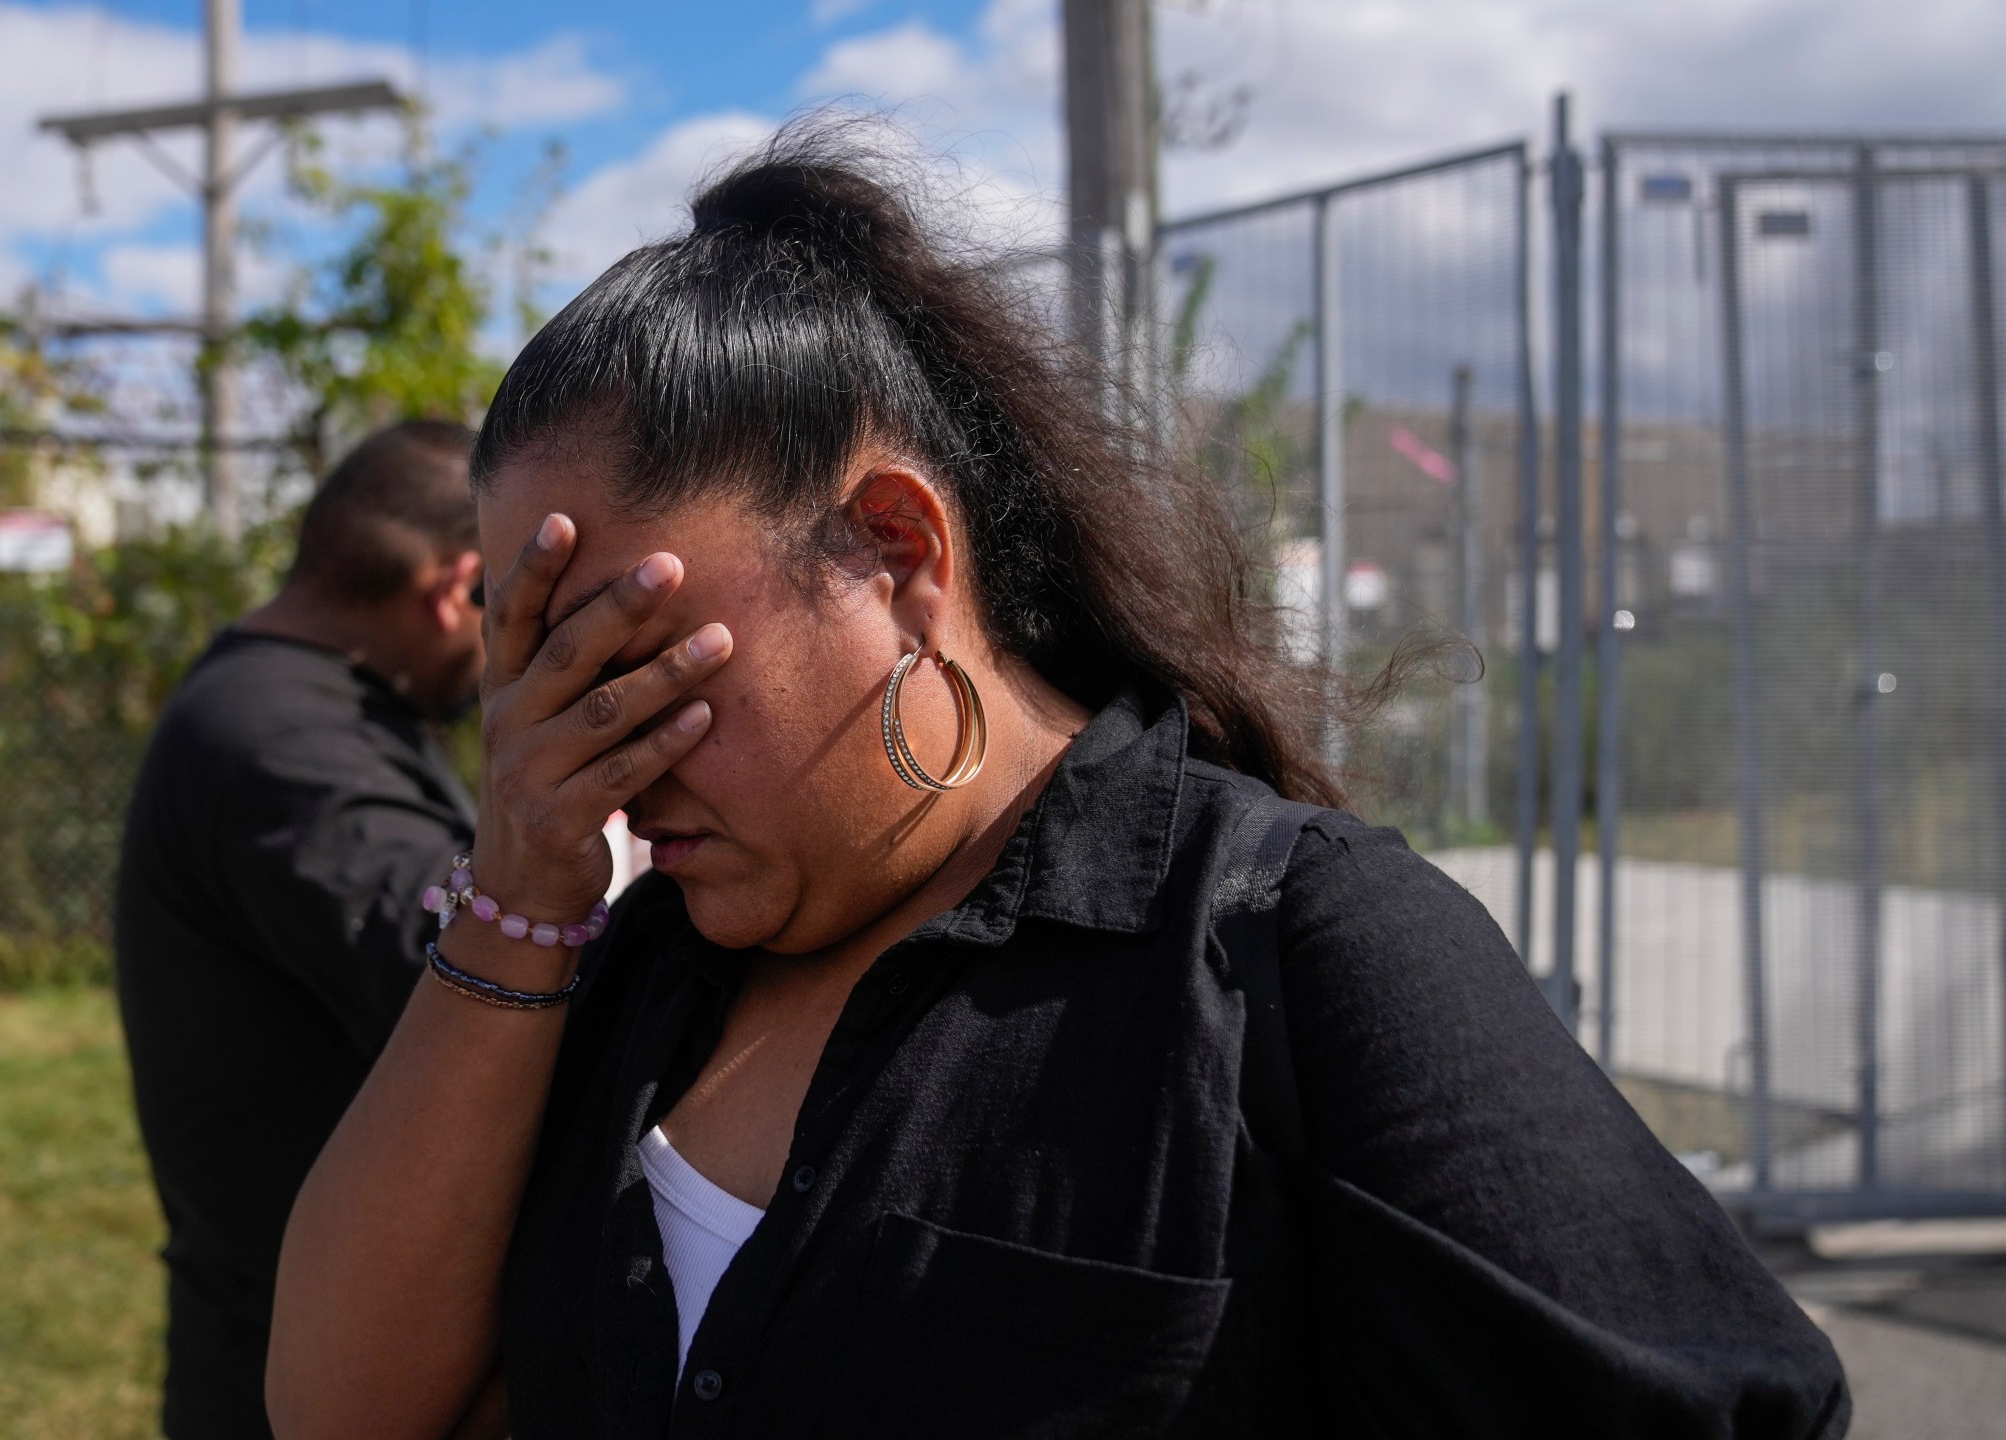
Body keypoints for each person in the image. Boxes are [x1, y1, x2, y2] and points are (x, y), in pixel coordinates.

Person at [265, 125, 1850, 1440]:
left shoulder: (1287, 946)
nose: (590, 760)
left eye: (643, 663)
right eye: (548, 684)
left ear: (893, 552)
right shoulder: (641, 977)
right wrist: (522, 895)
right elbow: (343, 1411)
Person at [114, 420, 486, 1440]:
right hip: (298, 1376)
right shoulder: (281, 738)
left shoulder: (302, 705)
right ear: (457, 589)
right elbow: (467, 972)